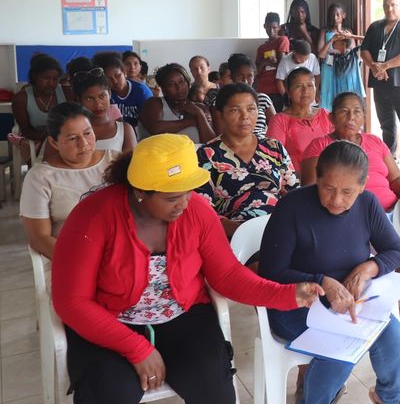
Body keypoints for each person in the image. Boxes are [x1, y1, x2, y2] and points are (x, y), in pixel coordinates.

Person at [51, 134, 324, 404]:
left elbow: (227, 275)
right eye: (172, 198)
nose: (183, 204)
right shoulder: (93, 216)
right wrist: (136, 348)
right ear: (140, 192)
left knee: (214, 390)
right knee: (109, 392)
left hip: (183, 315)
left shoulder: (197, 211)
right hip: (111, 322)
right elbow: (71, 302)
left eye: (188, 192)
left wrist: (287, 294)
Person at [260, 140, 400, 404]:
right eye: (328, 188)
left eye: (348, 192)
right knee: (338, 352)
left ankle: (388, 398)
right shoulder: (292, 208)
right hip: (296, 303)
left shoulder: (367, 204)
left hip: (349, 302)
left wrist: (367, 268)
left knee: (394, 337)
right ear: (317, 178)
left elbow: (396, 251)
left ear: (362, 186)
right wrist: (321, 282)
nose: (337, 200)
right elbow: (271, 271)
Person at [196, 83, 299, 238]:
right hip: (234, 235)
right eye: (235, 110)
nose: (245, 116)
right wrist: (243, 235)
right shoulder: (208, 154)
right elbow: (203, 209)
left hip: (280, 229)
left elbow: (293, 193)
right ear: (221, 114)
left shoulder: (274, 147)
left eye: (251, 109)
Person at [19, 103, 116, 259]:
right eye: (72, 138)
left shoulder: (115, 162)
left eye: (87, 133)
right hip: (69, 258)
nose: (83, 143)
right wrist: (82, 262)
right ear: (54, 143)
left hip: (118, 256)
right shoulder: (40, 178)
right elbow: (39, 238)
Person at [301, 92, 400, 212]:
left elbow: (396, 178)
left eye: (357, 112)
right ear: (331, 118)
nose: (351, 117)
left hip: (392, 211)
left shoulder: (375, 141)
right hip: (347, 214)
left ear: (364, 118)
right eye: (344, 111)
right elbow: (310, 190)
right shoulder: (319, 145)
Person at [360, 0, 400, 158]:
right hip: (380, 83)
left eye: (393, 5)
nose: (389, 9)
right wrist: (374, 67)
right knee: (386, 125)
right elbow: (364, 50)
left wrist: (385, 66)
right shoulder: (375, 27)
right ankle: (390, 160)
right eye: (386, 5)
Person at [267, 68, 333, 167]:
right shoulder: (279, 121)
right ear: (288, 92)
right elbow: (274, 158)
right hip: (295, 176)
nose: (305, 90)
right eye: (298, 86)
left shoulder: (326, 115)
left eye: (310, 85)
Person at [139, 63, 215, 144]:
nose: (179, 87)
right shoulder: (154, 103)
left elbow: (211, 143)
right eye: (171, 84)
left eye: (181, 82)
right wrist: (191, 122)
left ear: (188, 83)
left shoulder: (200, 108)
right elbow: (155, 128)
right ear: (163, 88)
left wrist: (199, 114)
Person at [70, 63, 136, 154]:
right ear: (79, 100)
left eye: (102, 96)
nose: (98, 104)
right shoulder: (71, 131)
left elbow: (131, 162)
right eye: (89, 98)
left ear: (109, 94)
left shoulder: (125, 130)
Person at [208, 53, 275, 137]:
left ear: (254, 77)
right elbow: (222, 134)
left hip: (263, 143)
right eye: (240, 76)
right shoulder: (221, 101)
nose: (245, 81)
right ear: (232, 76)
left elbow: (276, 128)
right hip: (234, 143)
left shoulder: (263, 99)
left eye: (249, 76)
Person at [11, 53, 67, 153]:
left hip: (65, 140)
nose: (51, 83)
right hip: (38, 141)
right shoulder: (21, 99)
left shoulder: (66, 92)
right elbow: (26, 131)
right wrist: (50, 139)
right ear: (35, 76)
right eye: (46, 78)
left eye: (55, 79)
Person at [317, 3, 365, 112]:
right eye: (332, 15)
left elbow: (352, 49)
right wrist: (332, 43)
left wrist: (349, 38)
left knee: (346, 96)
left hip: (346, 68)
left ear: (343, 15)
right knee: (330, 96)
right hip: (329, 66)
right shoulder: (325, 31)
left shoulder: (348, 32)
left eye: (338, 15)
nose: (335, 18)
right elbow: (320, 52)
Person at [93, 51, 153, 128]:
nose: (115, 81)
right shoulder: (104, 95)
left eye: (118, 75)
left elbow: (150, 121)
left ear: (124, 73)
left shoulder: (142, 91)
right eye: (109, 78)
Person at [257, 12, 291, 111]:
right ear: (264, 26)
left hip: (277, 88)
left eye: (274, 27)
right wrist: (265, 63)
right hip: (262, 88)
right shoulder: (261, 48)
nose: (271, 30)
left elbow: (282, 64)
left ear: (279, 27)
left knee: (276, 116)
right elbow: (257, 72)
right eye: (268, 27)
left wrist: (265, 63)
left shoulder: (282, 40)